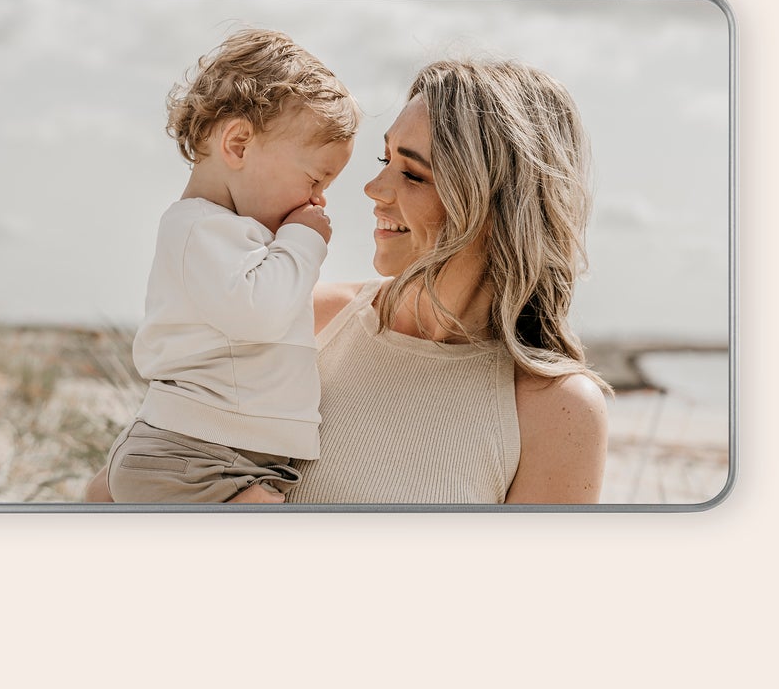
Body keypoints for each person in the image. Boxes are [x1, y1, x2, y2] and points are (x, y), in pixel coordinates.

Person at [88, 55, 608, 506]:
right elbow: (115, 491)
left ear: (500, 207)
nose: (373, 187)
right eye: (385, 158)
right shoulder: (300, 317)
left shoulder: (559, 411)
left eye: (413, 174)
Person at [103, 28, 359, 504]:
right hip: (191, 457)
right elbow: (259, 314)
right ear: (239, 145)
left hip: (223, 455)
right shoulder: (197, 228)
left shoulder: (235, 236)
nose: (318, 199)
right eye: (314, 179)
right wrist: (303, 240)